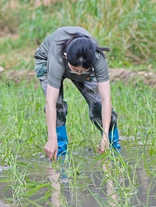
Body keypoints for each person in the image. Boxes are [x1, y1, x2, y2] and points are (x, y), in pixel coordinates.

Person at [34, 26, 120, 160]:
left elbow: (105, 100)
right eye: (75, 70)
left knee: (97, 104)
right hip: (47, 60)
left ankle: (113, 148)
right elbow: (51, 102)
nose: (78, 74)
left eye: (82, 71)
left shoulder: (97, 58)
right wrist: (51, 138)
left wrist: (105, 137)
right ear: (66, 57)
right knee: (58, 106)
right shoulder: (57, 57)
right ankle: (59, 154)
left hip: (80, 63)